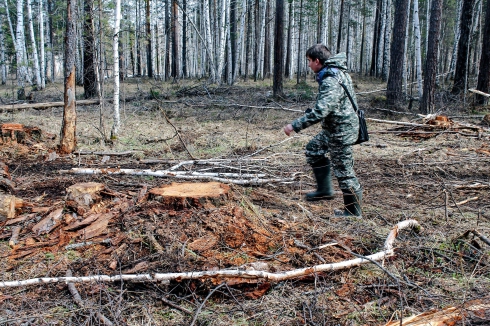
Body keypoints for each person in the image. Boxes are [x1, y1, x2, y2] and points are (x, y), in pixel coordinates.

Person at [283, 44, 362, 217]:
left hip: (341, 131)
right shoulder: (333, 73)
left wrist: (294, 126)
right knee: (314, 149)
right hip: (335, 128)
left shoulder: (331, 79)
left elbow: (321, 111)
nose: (309, 65)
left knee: (344, 172)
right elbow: (331, 105)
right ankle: (325, 190)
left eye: (310, 61)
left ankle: (353, 214)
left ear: (317, 61)